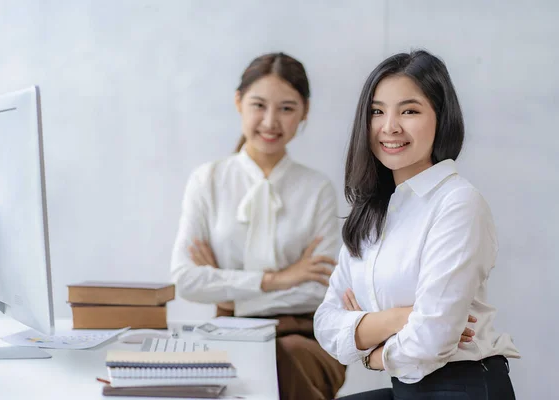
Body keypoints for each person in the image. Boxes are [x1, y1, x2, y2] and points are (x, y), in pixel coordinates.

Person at [314, 50, 520, 399]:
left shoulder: (457, 204)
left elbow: (432, 338)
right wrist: (400, 318)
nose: (389, 126)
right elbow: (325, 323)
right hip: (408, 387)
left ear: (441, 118)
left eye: (409, 111)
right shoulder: (373, 210)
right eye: (377, 111)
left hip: (463, 386)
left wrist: (372, 354)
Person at [170, 52, 346, 400]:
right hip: (226, 332)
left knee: (278, 359)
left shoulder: (317, 189)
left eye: (286, 108)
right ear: (238, 102)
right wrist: (279, 278)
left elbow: (321, 290)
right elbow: (186, 280)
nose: (270, 121)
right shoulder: (208, 180)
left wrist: (226, 285)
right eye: (259, 105)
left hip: (306, 337)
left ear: (304, 112)